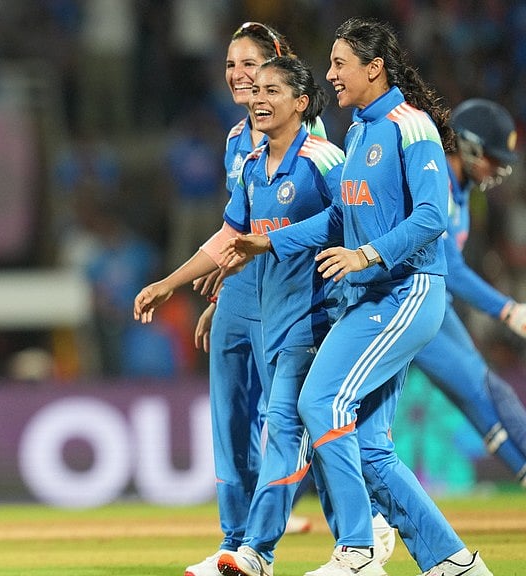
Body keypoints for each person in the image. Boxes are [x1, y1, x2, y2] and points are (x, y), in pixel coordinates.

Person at [223, 17, 492, 576]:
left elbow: (431, 217)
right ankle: (452, 562)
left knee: (319, 402)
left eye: (340, 64)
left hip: (406, 292)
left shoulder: (409, 127)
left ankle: (359, 550)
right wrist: (266, 241)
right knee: (369, 447)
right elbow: (339, 217)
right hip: (371, 297)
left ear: (374, 68)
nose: (330, 74)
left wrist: (365, 256)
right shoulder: (360, 132)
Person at [178, 22, 392, 576]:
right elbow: (239, 231)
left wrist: (359, 277)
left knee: (294, 421)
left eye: (252, 67)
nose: (240, 78)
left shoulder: (317, 145)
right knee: (240, 419)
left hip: (307, 299)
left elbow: (349, 217)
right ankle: (246, 541)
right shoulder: (239, 148)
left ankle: (349, 532)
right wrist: (215, 288)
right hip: (251, 290)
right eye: (231, 66)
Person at [135, 53, 344, 576]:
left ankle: (265, 549)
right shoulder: (250, 165)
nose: (257, 97)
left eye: (271, 89)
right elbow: (233, 240)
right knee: (294, 432)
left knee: (285, 429)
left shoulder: (324, 159)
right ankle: (349, 543)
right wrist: (171, 284)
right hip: (271, 313)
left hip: (316, 316)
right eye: (255, 89)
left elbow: (356, 222)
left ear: (301, 102)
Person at [412, 98, 526, 486]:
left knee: (485, 397)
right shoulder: (438, 180)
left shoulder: (460, 192)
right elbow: (451, 269)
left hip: (435, 307)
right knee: (485, 395)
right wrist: (507, 310)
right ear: (471, 146)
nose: (498, 169)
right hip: (413, 309)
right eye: (493, 158)